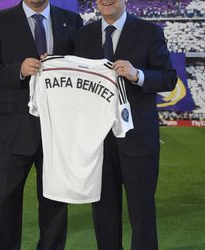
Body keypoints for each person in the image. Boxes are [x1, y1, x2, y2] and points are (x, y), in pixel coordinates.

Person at [0, 0, 82, 249]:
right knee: (8, 200)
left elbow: (81, 67)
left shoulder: (72, 20)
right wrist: (18, 70)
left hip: (58, 129)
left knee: (55, 201)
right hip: (14, 128)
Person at [75, 0, 177, 249]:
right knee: (103, 211)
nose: (106, 0)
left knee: (142, 212)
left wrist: (137, 74)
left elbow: (169, 78)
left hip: (138, 137)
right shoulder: (82, 36)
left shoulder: (150, 32)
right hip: (97, 140)